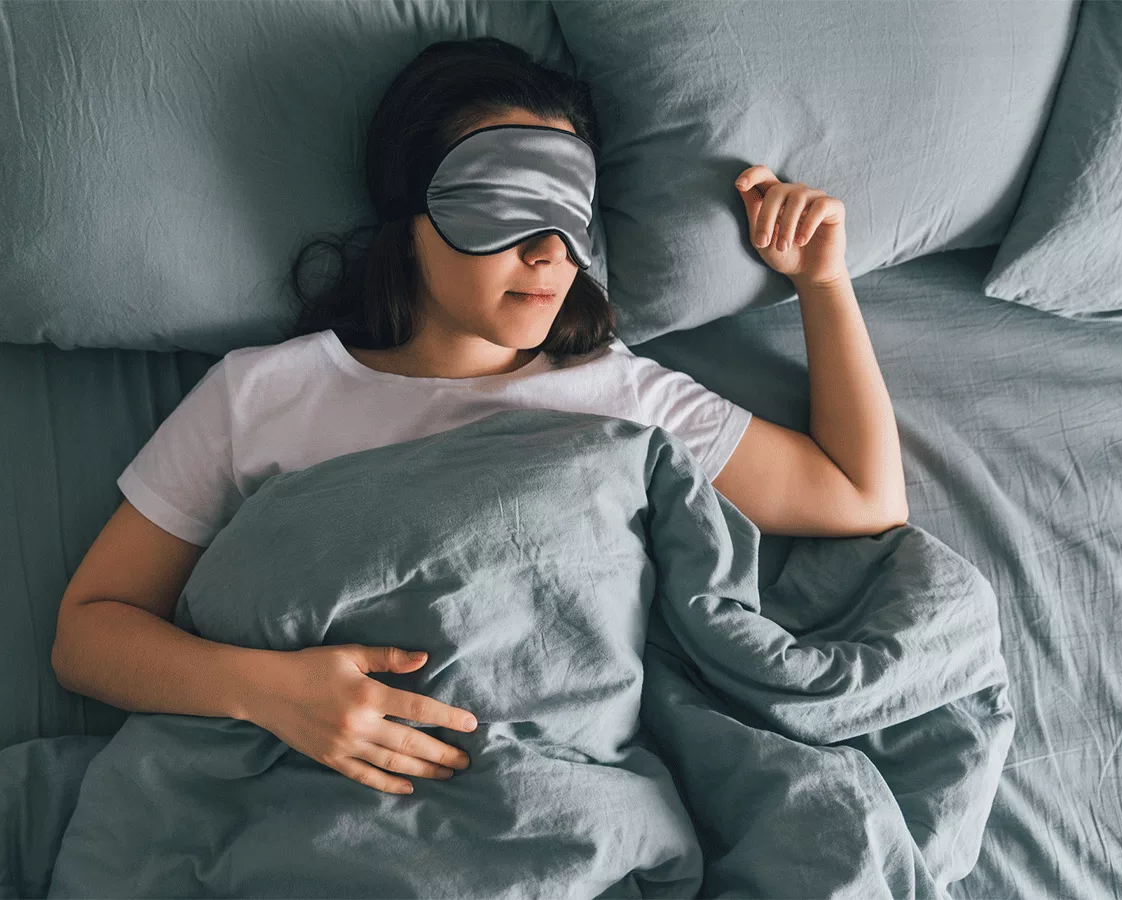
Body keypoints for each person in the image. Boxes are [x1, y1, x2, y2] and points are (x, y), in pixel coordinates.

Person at [51, 36, 906, 798]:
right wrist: (270, 691)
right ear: (410, 214)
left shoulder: (622, 395)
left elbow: (861, 496)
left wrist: (823, 284)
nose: (547, 251)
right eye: (503, 200)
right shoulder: (258, 395)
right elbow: (87, 636)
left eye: (570, 210)